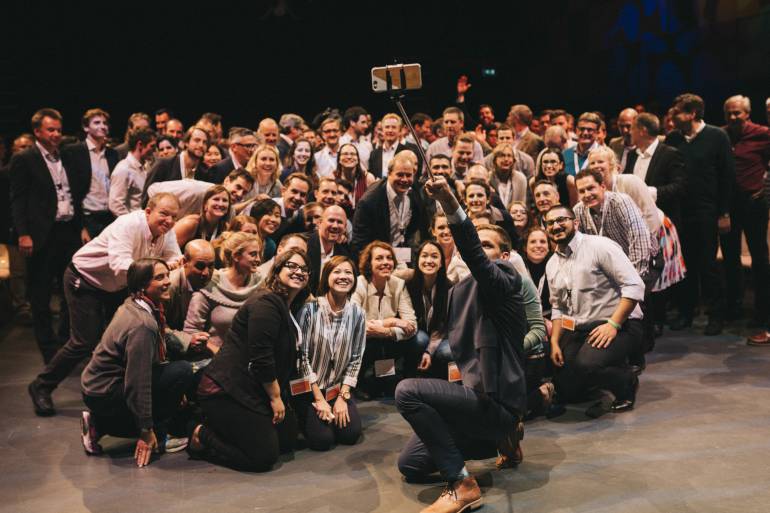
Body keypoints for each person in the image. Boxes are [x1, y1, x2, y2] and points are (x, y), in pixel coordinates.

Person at [395, 175, 527, 513]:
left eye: (487, 245)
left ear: (505, 254)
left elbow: (476, 256)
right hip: (474, 398)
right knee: (411, 464)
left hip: (498, 404)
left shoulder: (507, 278)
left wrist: (449, 202)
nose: (479, 250)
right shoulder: (458, 291)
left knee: (407, 391)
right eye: (476, 243)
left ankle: (462, 484)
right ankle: (501, 442)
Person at [27, 193, 182, 416]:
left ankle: (120, 390)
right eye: (164, 214)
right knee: (83, 341)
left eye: (174, 217)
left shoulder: (166, 231)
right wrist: (161, 269)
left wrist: (169, 265)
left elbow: (174, 258)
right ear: (148, 212)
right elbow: (120, 265)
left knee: (122, 336)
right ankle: (41, 386)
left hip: (116, 286)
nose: (169, 221)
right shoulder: (127, 225)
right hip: (85, 279)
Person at [187, 248, 309, 471]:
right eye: (291, 266)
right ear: (277, 271)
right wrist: (275, 398)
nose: (299, 271)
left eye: (304, 268)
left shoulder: (287, 305)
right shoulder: (266, 303)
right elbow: (261, 358)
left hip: (253, 387)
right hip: (226, 389)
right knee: (263, 457)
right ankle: (201, 433)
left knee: (287, 440)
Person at [79, 258, 194, 464]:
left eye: (167, 275)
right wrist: (146, 430)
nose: (167, 281)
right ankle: (159, 434)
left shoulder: (135, 304)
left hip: (97, 386)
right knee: (182, 372)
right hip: (105, 391)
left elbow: (160, 342)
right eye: (159, 277)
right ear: (142, 285)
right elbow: (138, 382)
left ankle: (98, 424)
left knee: (173, 378)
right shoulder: (143, 324)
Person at [544, 204, 643, 417]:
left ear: (575, 222)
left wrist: (613, 325)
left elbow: (635, 286)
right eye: (550, 223)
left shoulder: (600, 246)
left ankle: (626, 382)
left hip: (620, 324)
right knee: (564, 379)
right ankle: (592, 382)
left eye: (561, 219)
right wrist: (555, 343)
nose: (556, 225)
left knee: (587, 364)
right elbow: (558, 306)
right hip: (581, 328)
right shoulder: (552, 263)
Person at [9, 108, 88, 363]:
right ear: (37, 132)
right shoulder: (25, 158)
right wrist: (23, 234)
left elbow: (75, 194)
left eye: (58, 130)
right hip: (42, 234)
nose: (56, 134)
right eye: (50, 130)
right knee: (41, 294)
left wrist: (81, 226)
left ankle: (65, 342)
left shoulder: (66, 155)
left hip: (68, 230)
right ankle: (48, 349)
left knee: (69, 290)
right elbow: (18, 200)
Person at [666, 93, 734, 334]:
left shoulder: (717, 136)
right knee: (685, 265)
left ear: (692, 113)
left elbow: (727, 176)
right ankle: (686, 312)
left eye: (677, 112)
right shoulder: (673, 138)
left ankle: (716, 316)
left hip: (707, 211)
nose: (672, 116)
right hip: (681, 212)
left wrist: (724, 212)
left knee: (708, 265)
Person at [294, 256, 366, 450]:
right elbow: (302, 359)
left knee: (350, 435)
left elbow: (356, 358)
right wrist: (319, 399)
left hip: (338, 389)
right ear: (326, 277)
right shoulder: (309, 310)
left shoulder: (358, 313)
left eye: (348, 272)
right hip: (310, 390)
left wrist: (343, 396)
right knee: (323, 441)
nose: (343, 276)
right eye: (337, 272)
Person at [720, 96, 770, 344]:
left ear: (748, 113)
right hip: (729, 205)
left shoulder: (763, 134)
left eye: (737, 113)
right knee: (730, 258)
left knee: (759, 257)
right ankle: (733, 307)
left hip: (754, 203)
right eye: (729, 113)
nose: (733, 117)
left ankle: (762, 312)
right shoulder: (721, 135)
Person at [352, 241, 418, 397]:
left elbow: (412, 324)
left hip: (387, 339)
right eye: (379, 258)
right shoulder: (359, 284)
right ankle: (358, 382)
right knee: (367, 343)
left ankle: (405, 383)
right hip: (364, 339)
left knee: (417, 339)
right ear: (369, 263)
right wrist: (391, 322)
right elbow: (355, 324)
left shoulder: (398, 284)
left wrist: (387, 332)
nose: (386, 262)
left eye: (389, 258)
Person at [184, 231, 263, 352]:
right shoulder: (211, 286)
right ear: (236, 256)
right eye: (253, 254)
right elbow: (191, 331)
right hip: (213, 356)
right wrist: (216, 351)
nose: (258, 259)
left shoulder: (260, 284)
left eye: (259, 254)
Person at [573, 169, 655, 278]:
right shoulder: (578, 211)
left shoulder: (620, 202)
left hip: (645, 261)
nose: (587, 194)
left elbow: (639, 239)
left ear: (603, 186)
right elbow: (579, 249)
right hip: (613, 268)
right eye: (582, 191)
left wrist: (634, 279)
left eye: (591, 188)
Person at [351, 150, 427, 256]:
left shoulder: (414, 191)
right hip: (378, 258)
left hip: (403, 254)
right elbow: (359, 243)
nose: (405, 180)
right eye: (400, 175)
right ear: (389, 174)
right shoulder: (369, 201)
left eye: (408, 175)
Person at [67, 108, 120, 240]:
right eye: (97, 123)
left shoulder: (112, 154)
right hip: (87, 218)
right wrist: (81, 227)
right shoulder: (74, 151)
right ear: (86, 127)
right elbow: (72, 191)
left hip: (109, 217)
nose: (102, 126)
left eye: (105, 123)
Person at [405, 241, 453, 377]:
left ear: (441, 263)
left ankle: (435, 374)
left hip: (441, 335)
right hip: (418, 332)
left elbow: (443, 325)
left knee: (446, 352)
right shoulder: (409, 284)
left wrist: (429, 351)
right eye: (424, 256)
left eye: (434, 256)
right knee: (420, 340)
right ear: (418, 260)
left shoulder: (449, 287)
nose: (429, 261)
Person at [146, 168, 254, 217]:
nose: (240, 194)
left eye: (244, 192)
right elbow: (153, 190)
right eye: (238, 187)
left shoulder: (225, 208)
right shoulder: (196, 190)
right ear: (227, 181)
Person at [109, 128, 158, 217]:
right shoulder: (123, 169)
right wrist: (132, 222)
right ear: (140, 145)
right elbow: (115, 205)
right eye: (152, 146)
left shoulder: (146, 167)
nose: (155, 150)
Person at [143, 126, 209, 190]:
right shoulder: (163, 165)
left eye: (205, 142)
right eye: (197, 140)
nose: (201, 145)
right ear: (186, 143)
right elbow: (147, 194)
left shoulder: (204, 172)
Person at [306, 205, 352, 295]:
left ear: (345, 227)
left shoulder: (343, 255)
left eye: (340, 222)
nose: (335, 226)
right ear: (320, 223)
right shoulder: (304, 244)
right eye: (331, 220)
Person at [425, 107, 484, 174]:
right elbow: (426, 173)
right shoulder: (433, 147)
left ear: (461, 123)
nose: (449, 125)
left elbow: (479, 172)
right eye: (446, 122)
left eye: (452, 122)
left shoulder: (475, 146)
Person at [368, 113, 422, 179]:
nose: (390, 130)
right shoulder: (374, 154)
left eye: (393, 127)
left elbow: (415, 176)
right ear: (382, 130)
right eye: (387, 127)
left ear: (400, 131)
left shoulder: (409, 152)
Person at [488, 143, 528, 210]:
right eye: (502, 155)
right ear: (495, 160)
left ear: (513, 160)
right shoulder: (488, 178)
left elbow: (522, 205)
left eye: (509, 156)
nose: (506, 159)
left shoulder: (520, 179)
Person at [339, 106, 373, 171]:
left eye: (366, 123)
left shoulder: (368, 145)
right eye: (363, 122)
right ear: (352, 122)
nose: (366, 126)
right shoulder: (340, 143)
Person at [609, 108, 639, 174]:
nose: (624, 130)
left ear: (637, 124)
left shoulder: (645, 145)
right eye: (621, 126)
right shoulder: (614, 144)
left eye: (628, 126)